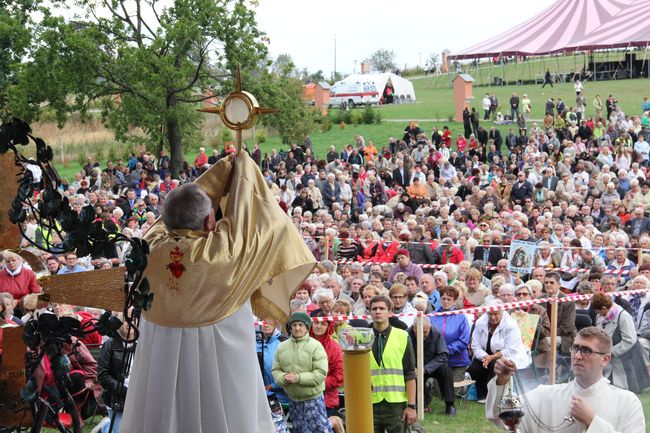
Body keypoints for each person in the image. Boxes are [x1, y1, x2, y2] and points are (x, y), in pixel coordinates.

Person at [121, 152, 316, 433]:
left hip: (160, 355)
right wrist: (239, 170)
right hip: (222, 361)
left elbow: (174, 213)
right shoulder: (224, 253)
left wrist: (217, 178)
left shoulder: (147, 248)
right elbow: (269, 223)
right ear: (210, 221)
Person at [487, 327, 646, 433]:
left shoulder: (627, 402)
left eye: (586, 350)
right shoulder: (546, 395)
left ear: (605, 359)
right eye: (575, 348)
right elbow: (501, 415)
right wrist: (502, 381)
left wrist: (592, 422)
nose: (577, 356)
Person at [273, 312, 332, 433]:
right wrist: (283, 378)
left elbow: (321, 373)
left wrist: (298, 378)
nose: (297, 328)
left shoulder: (316, 346)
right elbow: (276, 370)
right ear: (290, 327)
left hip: (313, 401)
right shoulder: (282, 347)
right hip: (293, 401)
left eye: (300, 325)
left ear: (307, 328)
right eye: (294, 325)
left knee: (320, 430)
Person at [369, 295, 417, 433]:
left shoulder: (402, 336)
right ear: (370, 312)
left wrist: (411, 406)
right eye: (374, 309)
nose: (378, 311)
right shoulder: (362, 337)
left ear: (390, 312)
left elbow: (410, 373)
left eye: (382, 308)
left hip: (395, 404)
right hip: (370, 402)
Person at [467, 300, 530, 401]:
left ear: (502, 312)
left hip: (506, 356)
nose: (492, 317)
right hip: (485, 355)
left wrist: (492, 357)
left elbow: (511, 349)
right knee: (474, 368)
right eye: (490, 314)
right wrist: (486, 357)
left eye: (495, 314)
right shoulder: (480, 323)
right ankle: (482, 394)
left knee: (496, 365)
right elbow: (475, 346)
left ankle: (495, 396)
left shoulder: (511, 325)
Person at [591, 293, 650, 393]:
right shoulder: (599, 316)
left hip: (627, 355)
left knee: (627, 389)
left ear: (604, 308)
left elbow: (630, 339)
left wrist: (612, 352)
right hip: (609, 355)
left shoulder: (623, 316)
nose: (596, 313)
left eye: (598, 310)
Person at [97, 314, 137, 433]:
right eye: (126, 320)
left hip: (136, 398)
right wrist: (124, 391)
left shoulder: (142, 346)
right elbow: (102, 376)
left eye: (133, 319)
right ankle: (106, 427)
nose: (129, 323)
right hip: (117, 400)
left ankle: (106, 426)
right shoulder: (109, 345)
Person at [409, 318, 457, 416]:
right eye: (419, 332)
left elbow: (443, 355)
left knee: (446, 371)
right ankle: (417, 404)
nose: (422, 335)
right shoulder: (406, 335)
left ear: (429, 328)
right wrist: (412, 368)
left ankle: (450, 405)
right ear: (414, 328)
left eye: (425, 332)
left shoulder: (436, 333)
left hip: (432, 365)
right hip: (413, 368)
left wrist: (426, 369)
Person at [309, 311, 345, 433]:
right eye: (316, 322)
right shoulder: (302, 343)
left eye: (323, 324)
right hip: (304, 398)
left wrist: (316, 383)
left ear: (328, 326)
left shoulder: (334, 347)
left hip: (326, 400)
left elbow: (339, 376)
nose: (319, 326)